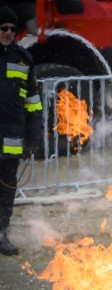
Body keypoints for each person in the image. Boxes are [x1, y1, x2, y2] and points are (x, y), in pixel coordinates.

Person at [0, 6, 43, 256]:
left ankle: (2, 234)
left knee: (7, 190)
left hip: (12, 139)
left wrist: (34, 136)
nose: (8, 32)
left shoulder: (23, 59)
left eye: (12, 29)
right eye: (3, 28)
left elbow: (33, 102)